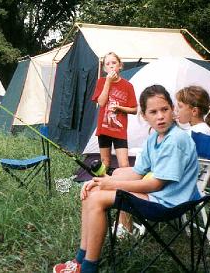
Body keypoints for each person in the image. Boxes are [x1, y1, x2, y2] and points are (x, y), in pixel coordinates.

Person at [53, 85, 200, 273]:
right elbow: (137, 172)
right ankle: (80, 258)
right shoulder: (155, 138)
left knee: (98, 199)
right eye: (153, 112)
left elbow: (155, 184)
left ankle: (88, 268)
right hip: (160, 196)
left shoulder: (176, 140)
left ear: (173, 110)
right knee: (93, 191)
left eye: (165, 109)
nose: (160, 116)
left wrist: (111, 184)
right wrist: (101, 181)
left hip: (169, 203)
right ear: (144, 116)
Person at [91, 52, 138, 170]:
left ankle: (123, 187)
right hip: (104, 129)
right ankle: (106, 186)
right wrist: (108, 81)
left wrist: (120, 108)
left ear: (120, 66)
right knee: (105, 163)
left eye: (114, 63)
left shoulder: (128, 86)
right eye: (108, 64)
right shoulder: (101, 82)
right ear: (105, 68)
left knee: (124, 165)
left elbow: (134, 110)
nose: (111, 66)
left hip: (119, 130)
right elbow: (101, 103)